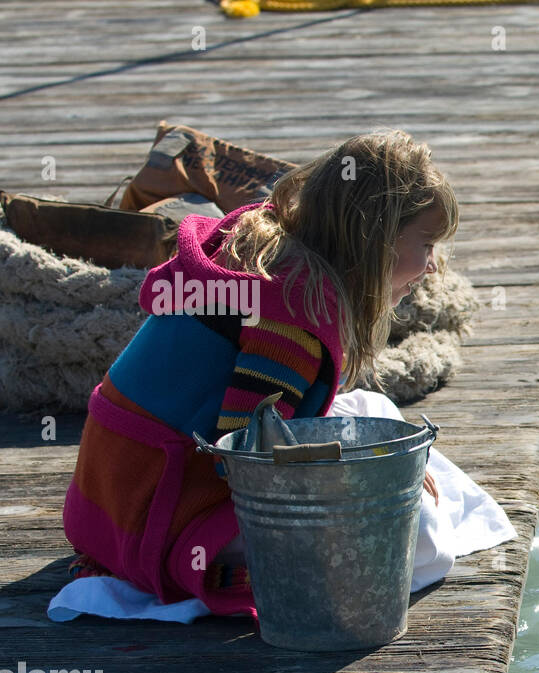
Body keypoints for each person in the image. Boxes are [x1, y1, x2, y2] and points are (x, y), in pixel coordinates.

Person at [62, 130, 458, 616]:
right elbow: (247, 463)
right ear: (374, 239)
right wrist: (373, 483)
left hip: (106, 496)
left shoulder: (265, 244)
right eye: (427, 244)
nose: (434, 267)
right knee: (418, 537)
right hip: (156, 517)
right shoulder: (293, 311)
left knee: (372, 409)